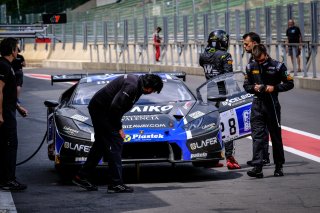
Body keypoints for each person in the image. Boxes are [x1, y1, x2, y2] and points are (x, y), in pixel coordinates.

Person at [72, 73, 163, 193]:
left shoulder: (138, 84)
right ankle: (116, 183)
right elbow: (116, 106)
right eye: (153, 90)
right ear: (148, 86)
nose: (151, 93)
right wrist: (119, 128)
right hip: (102, 110)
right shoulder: (132, 86)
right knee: (116, 142)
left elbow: (119, 106)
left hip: (101, 109)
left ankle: (82, 176)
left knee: (101, 144)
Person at [243, 44, 294, 178]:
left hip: (272, 104)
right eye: (257, 60)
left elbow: (290, 83)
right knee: (257, 136)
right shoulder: (250, 66)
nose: (259, 62)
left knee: (275, 136)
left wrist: (274, 88)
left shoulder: (278, 66)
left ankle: (279, 166)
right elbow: (246, 86)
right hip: (257, 105)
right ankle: (257, 167)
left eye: (261, 60)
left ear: (266, 54)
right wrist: (253, 88)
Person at [199, 29, 241, 170]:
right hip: (223, 94)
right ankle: (229, 158)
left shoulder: (203, 55)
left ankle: (213, 157)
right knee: (228, 126)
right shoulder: (225, 56)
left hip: (208, 95)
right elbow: (228, 76)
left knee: (211, 127)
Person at [0, 37, 28, 191]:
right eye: (17, 48)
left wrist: (18, 107)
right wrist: (0, 114)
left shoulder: (7, 66)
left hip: (10, 110)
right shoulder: (3, 66)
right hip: (5, 114)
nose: (18, 51)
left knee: (6, 145)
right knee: (10, 145)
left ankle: (5, 178)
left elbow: (8, 93)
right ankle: (8, 180)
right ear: (12, 50)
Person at [242, 32, 271, 167]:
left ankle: (263, 157)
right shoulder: (252, 59)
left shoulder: (261, 59)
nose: (244, 46)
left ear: (254, 43)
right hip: (258, 98)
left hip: (266, 100)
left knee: (261, 129)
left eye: (246, 44)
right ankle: (262, 156)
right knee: (260, 129)